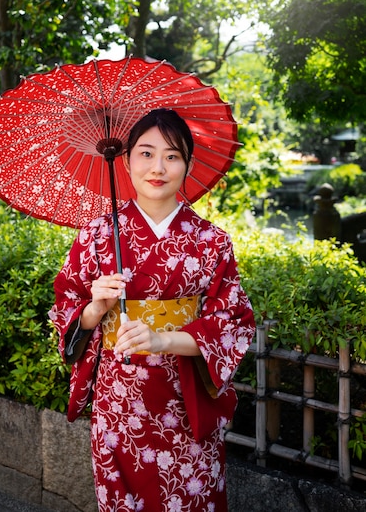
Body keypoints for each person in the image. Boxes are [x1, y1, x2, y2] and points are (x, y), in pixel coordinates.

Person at [49, 108, 255, 512]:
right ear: (125, 162)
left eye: (172, 155)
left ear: (188, 164)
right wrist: (95, 307)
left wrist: (163, 339)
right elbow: (67, 309)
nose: (157, 167)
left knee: (193, 498)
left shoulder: (212, 241)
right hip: (119, 405)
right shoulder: (95, 235)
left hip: (185, 401)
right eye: (145, 153)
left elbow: (232, 322)